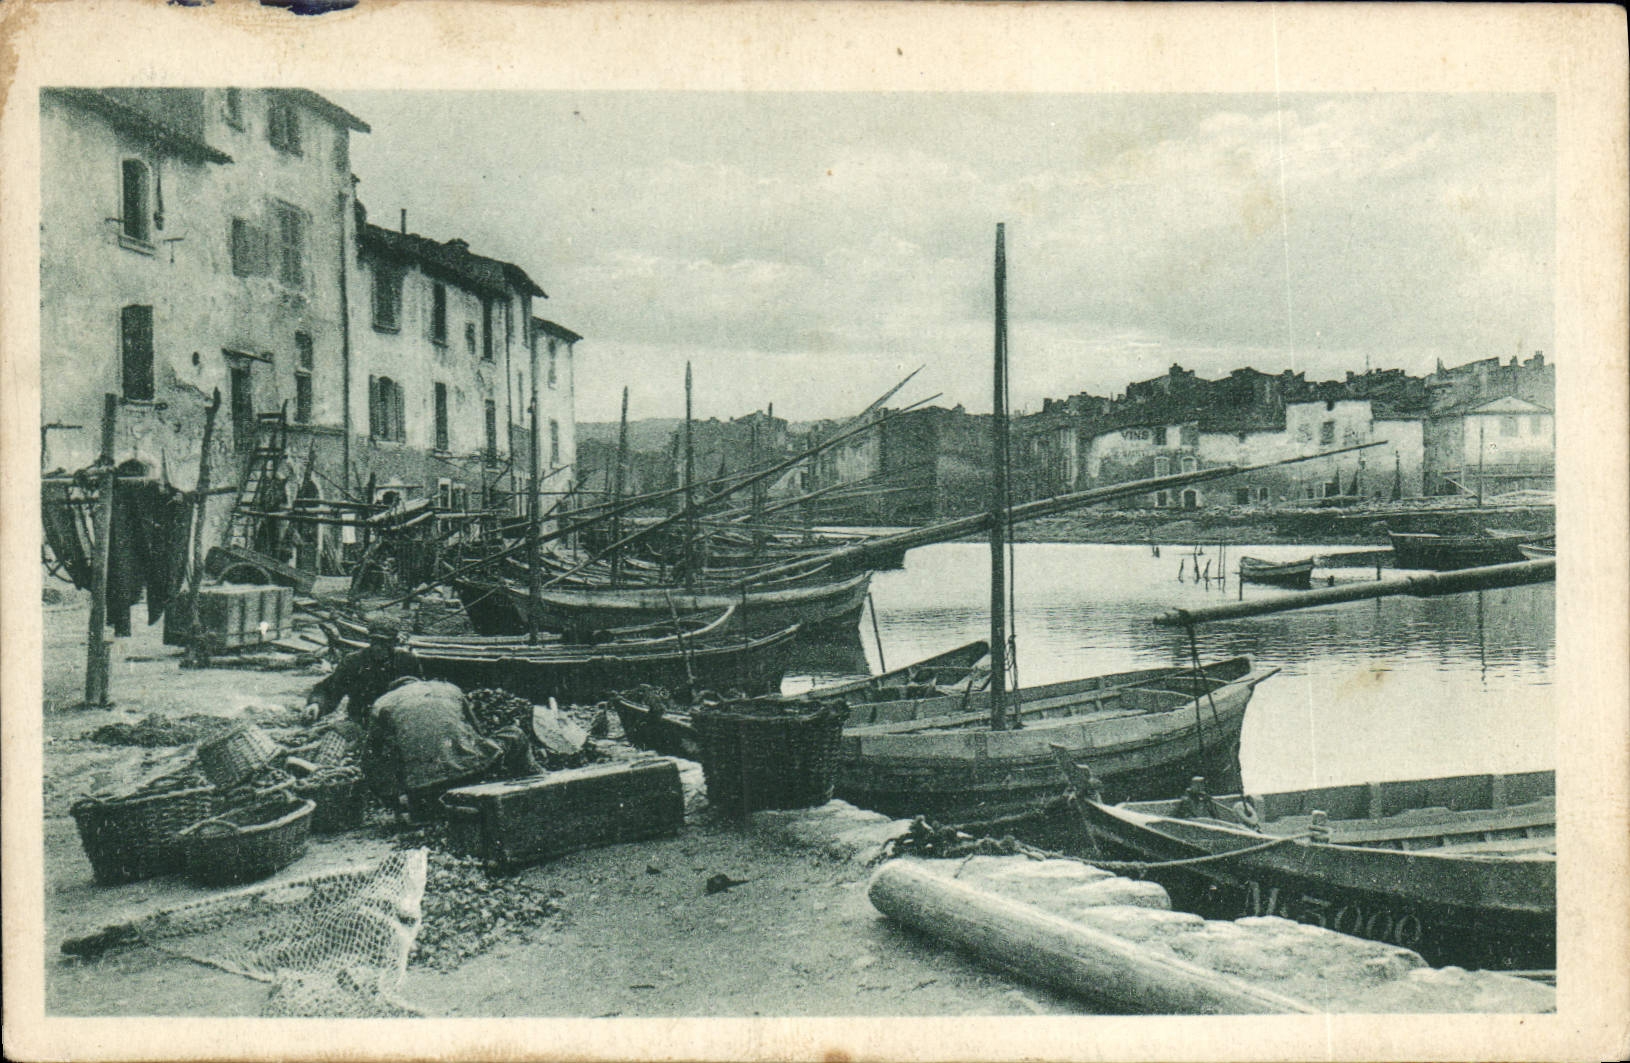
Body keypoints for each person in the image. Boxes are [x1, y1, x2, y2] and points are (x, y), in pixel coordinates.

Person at [304, 622, 409, 724]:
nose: (378, 648)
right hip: (360, 723)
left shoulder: (406, 661)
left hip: (397, 724)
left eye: (384, 642)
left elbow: (418, 692)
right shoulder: (355, 661)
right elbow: (328, 689)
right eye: (374, 641)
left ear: (395, 642)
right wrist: (316, 704)